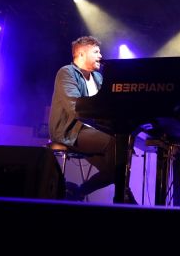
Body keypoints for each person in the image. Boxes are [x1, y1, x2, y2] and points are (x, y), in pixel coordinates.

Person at [49, 36, 136, 203]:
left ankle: (78, 192)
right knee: (115, 146)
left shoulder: (98, 78)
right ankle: (124, 195)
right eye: (96, 52)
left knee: (117, 164)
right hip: (70, 129)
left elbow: (109, 106)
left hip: (92, 131)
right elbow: (74, 107)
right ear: (81, 54)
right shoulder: (66, 72)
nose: (101, 56)